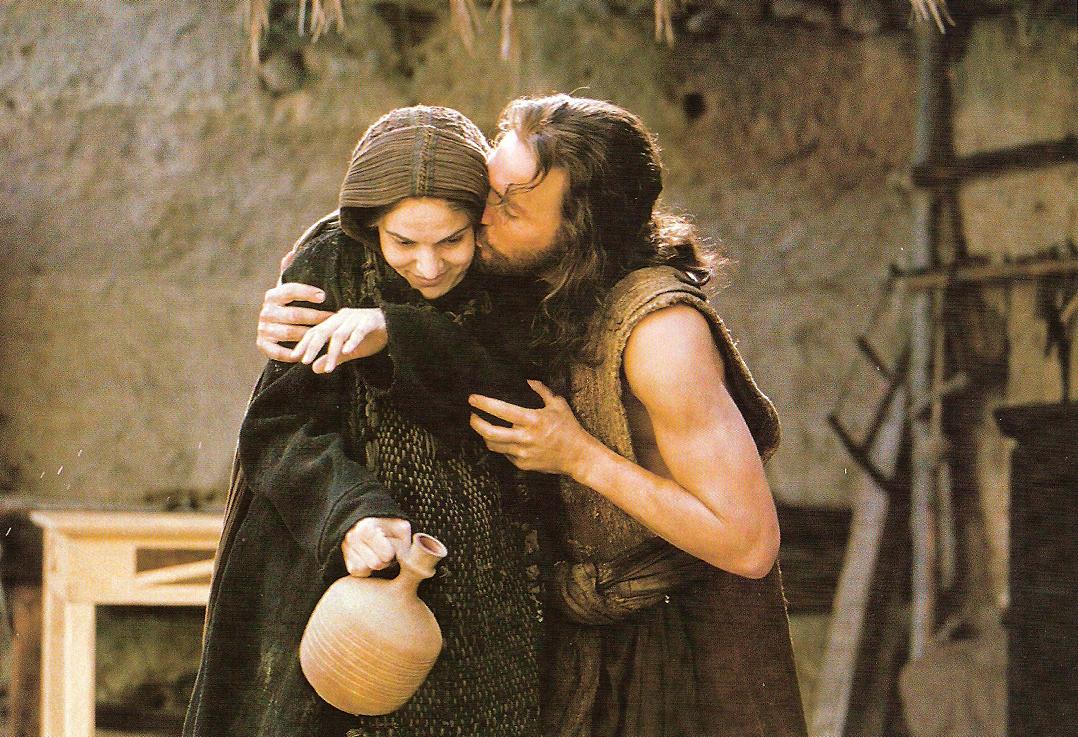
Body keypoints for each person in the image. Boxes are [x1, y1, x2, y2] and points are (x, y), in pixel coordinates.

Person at [259, 94, 808, 737]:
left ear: (579, 232)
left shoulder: (663, 334)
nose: (480, 214)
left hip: (676, 651)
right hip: (574, 638)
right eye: (490, 186)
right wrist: (305, 286)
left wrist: (580, 456)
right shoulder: (527, 275)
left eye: (509, 208)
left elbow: (749, 544)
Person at [185, 106, 548, 737]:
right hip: (326, 563)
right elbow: (279, 427)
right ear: (369, 225)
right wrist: (350, 515)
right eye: (403, 243)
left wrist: (394, 333)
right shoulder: (331, 264)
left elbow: (511, 396)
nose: (429, 267)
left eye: (452, 241)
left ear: (482, 224)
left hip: (482, 584)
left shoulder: (510, 273)